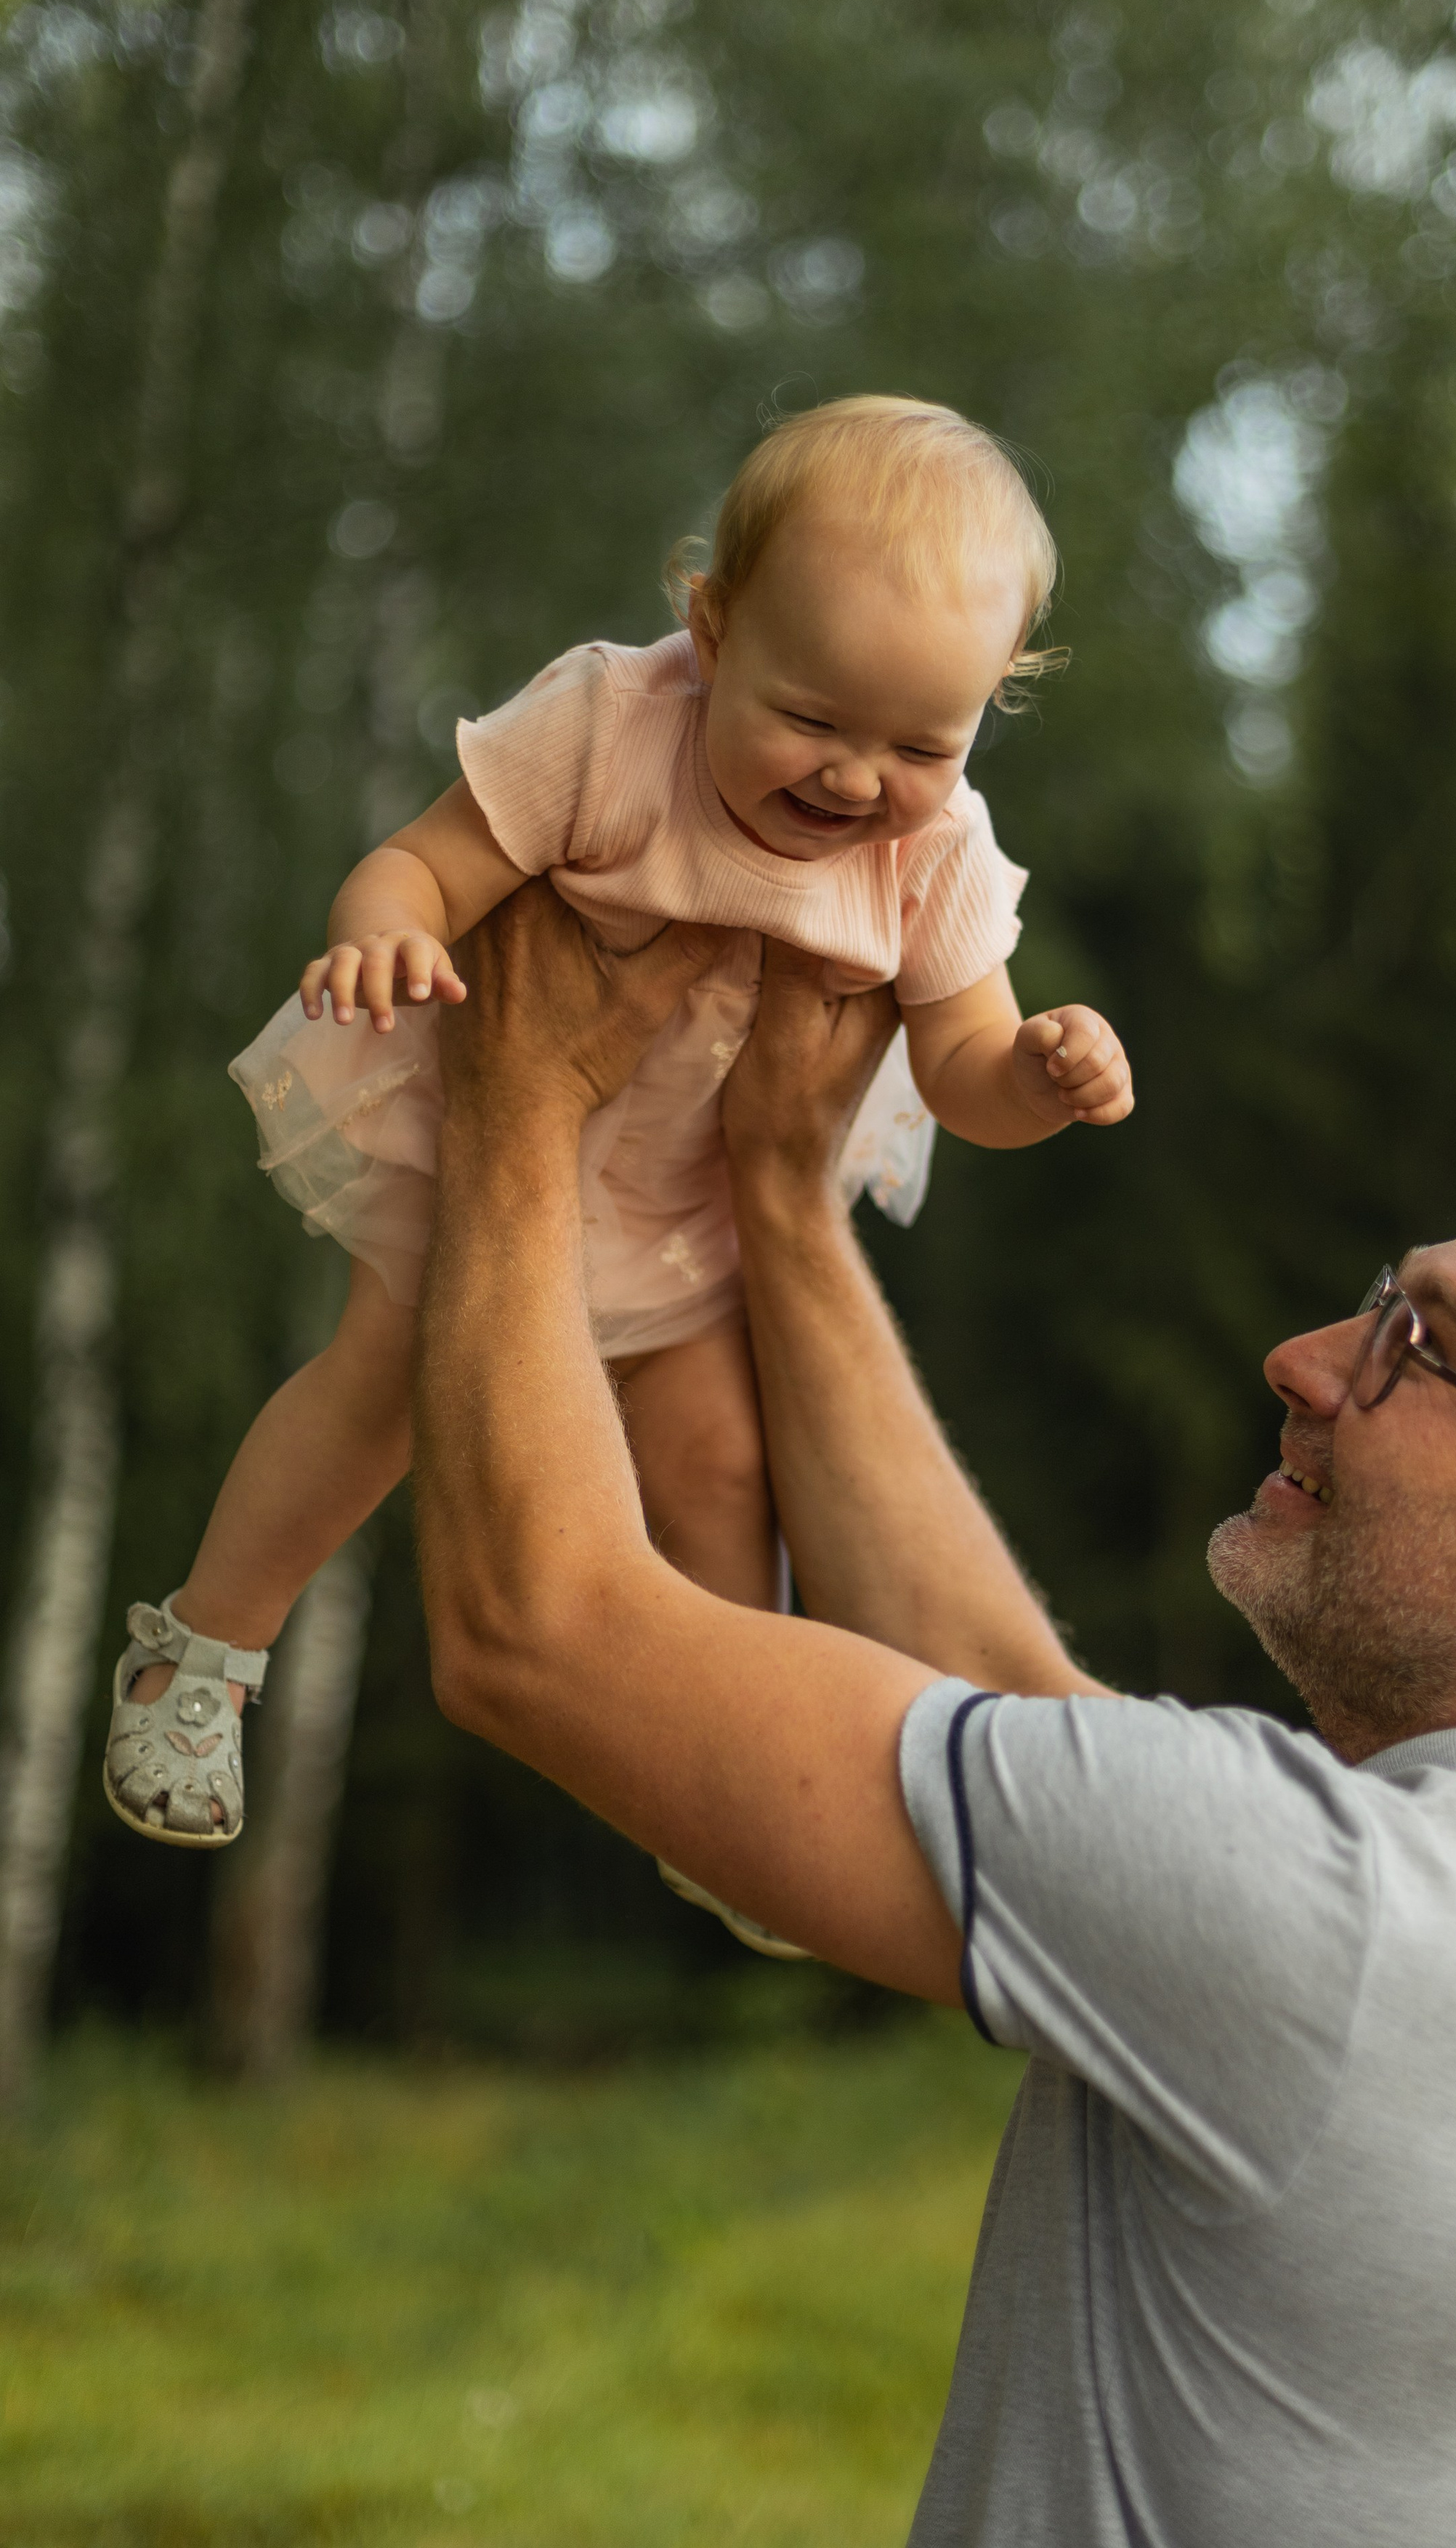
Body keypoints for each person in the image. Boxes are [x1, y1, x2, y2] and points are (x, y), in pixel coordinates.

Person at [413, 884, 1456, 2548]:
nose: (1302, 1359)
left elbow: (537, 1627)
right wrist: (784, 1197)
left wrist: (518, 1092)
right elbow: (1036, 1730)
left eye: (1415, 1345)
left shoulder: (1341, 1920)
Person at [100, 395, 1133, 1876]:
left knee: (721, 1464)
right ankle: (202, 1647)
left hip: (694, 1199)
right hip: (488, 1162)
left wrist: (1035, 1073)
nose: (855, 779)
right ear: (708, 632)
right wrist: (382, 936)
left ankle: (713, 1775)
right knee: (375, 1390)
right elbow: (421, 861)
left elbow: (957, 1059)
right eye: (810, 718)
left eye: (919, 740)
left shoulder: (937, 846)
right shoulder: (605, 726)